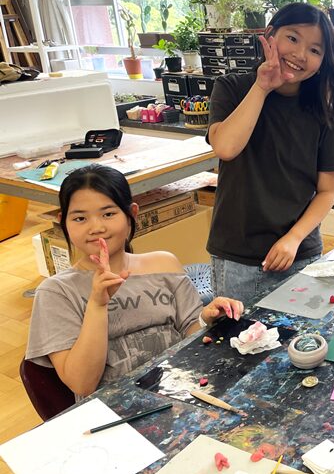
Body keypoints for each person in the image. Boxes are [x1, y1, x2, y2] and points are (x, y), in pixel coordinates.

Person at [25, 165, 243, 398]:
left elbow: (190, 335)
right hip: (115, 408)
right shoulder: (56, 292)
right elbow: (82, 385)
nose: (96, 228)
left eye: (108, 214)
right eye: (80, 218)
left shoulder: (164, 264)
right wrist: (97, 304)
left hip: (182, 390)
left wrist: (207, 318)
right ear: (63, 222)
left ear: (132, 214)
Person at [206, 3, 334, 302]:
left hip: (300, 252)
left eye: (315, 50)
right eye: (292, 38)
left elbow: (327, 191)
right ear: (270, 35)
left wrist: (293, 239)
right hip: (238, 255)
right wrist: (262, 87)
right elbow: (226, 148)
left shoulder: (323, 110)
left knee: (304, 332)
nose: (300, 54)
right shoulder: (232, 88)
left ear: (323, 61)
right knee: (237, 332)